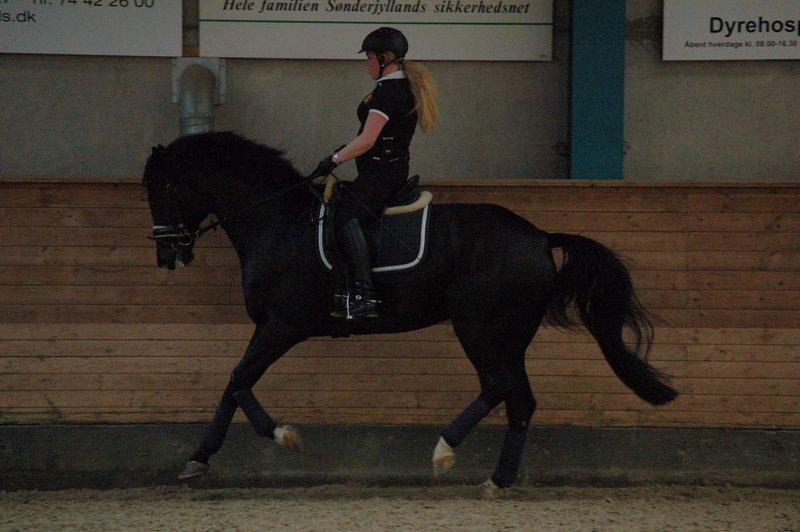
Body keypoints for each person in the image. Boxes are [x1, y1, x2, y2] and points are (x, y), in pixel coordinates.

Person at [314, 27, 438, 319]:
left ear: (385, 58)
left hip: (382, 175)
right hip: (383, 170)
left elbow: (368, 140)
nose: (366, 63)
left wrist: (333, 160)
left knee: (346, 217)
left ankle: (363, 295)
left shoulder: (389, 93)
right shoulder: (393, 87)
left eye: (369, 57)